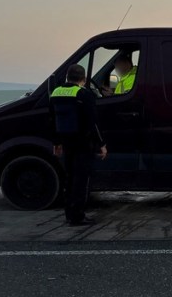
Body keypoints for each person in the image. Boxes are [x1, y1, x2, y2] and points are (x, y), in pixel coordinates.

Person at [51, 64, 108, 226]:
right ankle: (78, 216)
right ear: (83, 79)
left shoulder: (55, 93)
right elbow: (92, 123)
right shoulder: (84, 94)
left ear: (68, 77)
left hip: (66, 143)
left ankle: (69, 214)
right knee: (81, 180)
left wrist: (56, 142)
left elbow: (51, 120)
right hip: (83, 143)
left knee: (69, 179)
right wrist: (101, 144)